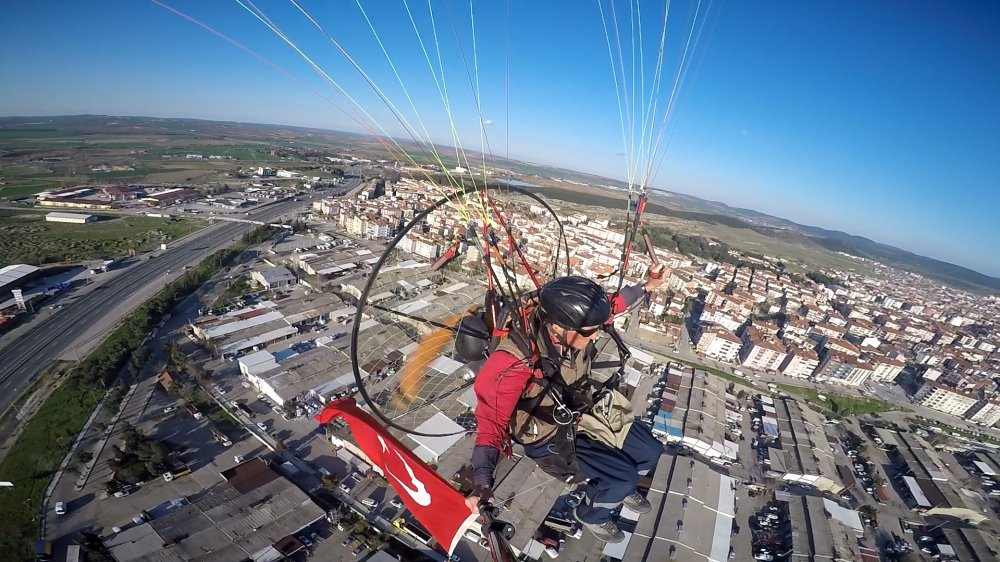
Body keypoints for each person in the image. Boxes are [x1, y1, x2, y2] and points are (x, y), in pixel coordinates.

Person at [465, 266, 666, 543]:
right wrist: (482, 481)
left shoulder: (575, 322)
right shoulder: (512, 362)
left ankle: (619, 487)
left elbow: (612, 305)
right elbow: (491, 423)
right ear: (558, 327)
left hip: (578, 407)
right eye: (589, 332)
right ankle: (592, 514)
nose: (596, 336)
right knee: (622, 478)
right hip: (547, 434)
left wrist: (646, 286)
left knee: (651, 450)